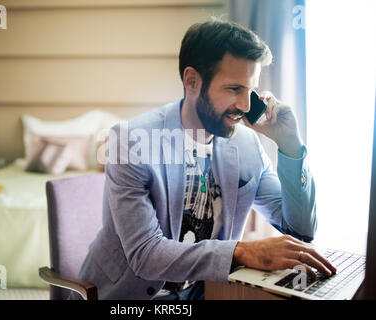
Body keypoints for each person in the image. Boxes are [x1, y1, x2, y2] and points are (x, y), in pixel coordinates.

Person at [76, 18, 336, 300]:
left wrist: (290, 145)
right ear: (192, 81)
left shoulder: (246, 144)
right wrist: (242, 251)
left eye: (251, 91)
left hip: (206, 289)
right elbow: (145, 255)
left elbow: (300, 230)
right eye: (234, 89)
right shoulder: (130, 140)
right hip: (131, 296)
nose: (246, 107)